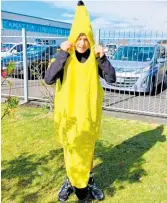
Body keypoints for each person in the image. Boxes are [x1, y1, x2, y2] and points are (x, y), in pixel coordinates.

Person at [45, 1, 116, 202]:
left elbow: (111, 78)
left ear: (90, 39)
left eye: (85, 38)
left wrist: (103, 58)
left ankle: (89, 181)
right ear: (73, 39)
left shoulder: (95, 58)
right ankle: (69, 180)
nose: (82, 43)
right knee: (70, 149)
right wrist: (61, 54)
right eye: (79, 38)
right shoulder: (64, 57)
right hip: (68, 116)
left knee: (88, 150)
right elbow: (49, 78)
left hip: (89, 116)